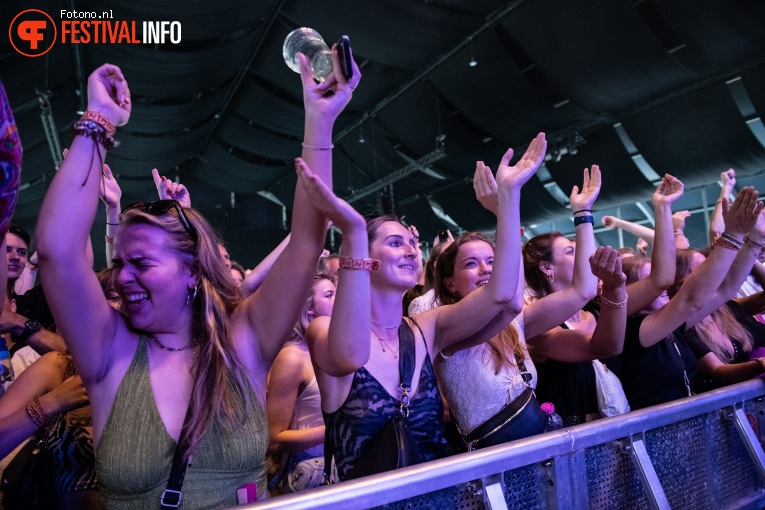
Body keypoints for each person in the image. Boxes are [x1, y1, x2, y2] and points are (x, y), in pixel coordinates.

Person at [36, 49, 360, 508]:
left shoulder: (245, 341)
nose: (123, 277)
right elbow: (57, 254)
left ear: (191, 271)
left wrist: (320, 121)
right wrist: (98, 123)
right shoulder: (107, 350)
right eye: (121, 262)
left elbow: (306, 243)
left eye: (142, 264)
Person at [304, 134, 546, 480]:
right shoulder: (323, 329)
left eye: (412, 244)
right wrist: (354, 237)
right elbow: (348, 357)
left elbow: (503, 295)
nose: (410, 250)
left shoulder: (423, 329)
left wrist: (508, 200)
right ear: (365, 258)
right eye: (394, 243)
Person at [524, 174, 683, 424]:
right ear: (546, 268)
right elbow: (606, 346)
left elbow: (661, 278)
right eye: (571, 251)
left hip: (616, 432)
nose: (585, 253)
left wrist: (662, 208)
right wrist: (583, 214)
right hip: (573, 442)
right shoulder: (537, 323)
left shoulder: (600, 307)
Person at [619, 187, 765, 409]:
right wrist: (732, 235)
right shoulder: (633, 330)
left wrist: (754, 238)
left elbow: (726, 287)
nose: (664, 283)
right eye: (650, 280)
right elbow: (692, 299)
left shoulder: (670, 325)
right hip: (659, 434)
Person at [266, 272, 336, 492]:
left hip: (345, 467)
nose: (339, 299)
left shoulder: (338, 349)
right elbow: (272, 439)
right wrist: (337, 428)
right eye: (329, 295)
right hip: (311, 476)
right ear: (309, 310)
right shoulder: (292, 357)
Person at [668, 249, 765, 392]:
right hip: (724, 408)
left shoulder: (727, 308)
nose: (715, 271)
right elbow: (717, 370)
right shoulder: (681, 326)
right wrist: (759, 365)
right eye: (705, 267)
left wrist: (751, 258)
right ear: (682, 281)